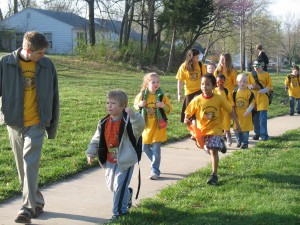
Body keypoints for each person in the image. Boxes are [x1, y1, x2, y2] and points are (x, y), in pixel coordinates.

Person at [0, 31, 60, 224]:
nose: (43, 56)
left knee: (29, 162)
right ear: (28, 50)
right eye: (40, 53)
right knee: (22, 166)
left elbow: (54, 96)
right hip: (14, 122)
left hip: (36, 122)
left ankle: (26, 208)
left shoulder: (47, 65)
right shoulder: (5, 63)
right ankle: (38, 200)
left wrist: (51, 124)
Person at [86, 90, 145, 221]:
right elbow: (96, 139)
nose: (109, 106)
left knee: (119, 186)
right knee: (113, 186)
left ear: (123, 106)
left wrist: (135, 115)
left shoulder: (128, 120)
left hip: (125, 161)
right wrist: (91, 152)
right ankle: (127, 194)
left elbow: (140, 127)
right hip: (110, 161)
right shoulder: (103, 122)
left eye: (113, 103)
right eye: (107, 103)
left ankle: (119, 213)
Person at [184, 74, 241, 185]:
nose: (204, 87)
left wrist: (237, 123)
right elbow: (188, 112)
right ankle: (220, 143)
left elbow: (230, 110)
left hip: (215, 129)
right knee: (207, 148)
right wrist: (187, 119)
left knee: (213, 150)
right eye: (202, 84)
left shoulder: (219, 98)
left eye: (207, 84)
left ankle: (214, 175)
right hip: (202, 131)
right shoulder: (197, 100)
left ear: (213, 85)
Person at [134, 73, 172, 180]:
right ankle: (156, 162)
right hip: (146, 127)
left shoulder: (161, 96)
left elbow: (169, 109)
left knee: (156, 149)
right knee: (144, 148)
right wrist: (140, 105)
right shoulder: (142, 95)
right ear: (147, 84)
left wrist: (163, 106)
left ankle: (155, 170)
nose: (156, 84)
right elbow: (136, 105)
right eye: (153, 82)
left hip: (158, 126)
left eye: (158, 82)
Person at [176, 48, 206, 138]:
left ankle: (198, 131)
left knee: (198, 112)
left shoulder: (201, 65)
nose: (198, 59)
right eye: (196, 57)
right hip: (189, 92)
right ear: (191, 57)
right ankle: (193, 132)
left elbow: (204, 77)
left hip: (199, 91)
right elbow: (180, 81)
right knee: (189, 115)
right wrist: (179, 94)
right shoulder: (184, 66)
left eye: (198, 57)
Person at [248, 61, 273, 141]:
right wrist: (250, 86)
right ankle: (257, 133)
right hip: (254, 99)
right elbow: (247, 84)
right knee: (255, 118)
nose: (256, 68)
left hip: (263, 99)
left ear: (262, 66)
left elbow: (270, 86)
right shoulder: (251, 74)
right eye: (255, 66)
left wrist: (265, 90)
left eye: (258, 66)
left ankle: (264, 135)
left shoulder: (266, 74)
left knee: (262, 118)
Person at [231, 74, 255, 149]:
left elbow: (252, 103)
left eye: (244, 81)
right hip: (237, 116)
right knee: (236, 130)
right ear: (237, 82)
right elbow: (232, 103)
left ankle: (245, 143)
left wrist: (248, 110)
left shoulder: (249, 92)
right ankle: (239, 141)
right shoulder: (234, 92)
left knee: (245, 131)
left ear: (247, 83)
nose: (242, 83)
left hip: (246, 116)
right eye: (240, 81)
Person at [213, 74, 234, 147]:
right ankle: (220, 141)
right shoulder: (214, 91)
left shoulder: (226, 91)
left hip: (226, 113)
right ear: (216, 82)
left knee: (227, 127)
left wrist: (232, 110)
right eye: (218, 82)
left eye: (222, 82)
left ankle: (229, 137)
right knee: (219, 128)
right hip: (218, 112)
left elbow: (231, 102)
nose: (220, 84)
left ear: (224, 82)